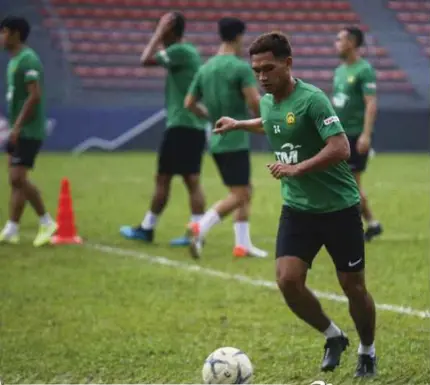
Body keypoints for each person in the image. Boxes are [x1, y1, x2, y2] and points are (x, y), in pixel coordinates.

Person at [214, 32, 377, 377]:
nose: (261, 76)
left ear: (288, 64)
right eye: (256, 69)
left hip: (339, 208)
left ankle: (367, 349)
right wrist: (238, 123)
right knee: (288, 280)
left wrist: (296, 168)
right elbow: (271, 121)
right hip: (298, 208)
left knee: (353, 286)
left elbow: (340, 148)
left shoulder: (312, 99)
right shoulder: (269, 99)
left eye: (268, 69)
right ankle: (334, 336)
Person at [120, 12, 208, 245]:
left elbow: (145, 59)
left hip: (183, 125)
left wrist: (158, 34)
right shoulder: (185, 52)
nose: (157, 30)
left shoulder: (180, 51)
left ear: (170, 29)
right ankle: (191, 232)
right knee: (185, 180)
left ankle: (150, 229)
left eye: (161, 26)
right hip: (189, 125)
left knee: (171, 179)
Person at [184, 17, 267, 258]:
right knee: (240, 194)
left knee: (244, 189)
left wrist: (211, 117)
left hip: (217, 139)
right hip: (236, 137)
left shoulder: (205, 68)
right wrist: (270, 120)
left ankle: (242, 244)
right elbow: (255, 102)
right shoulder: (240, 68)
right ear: (240, 36)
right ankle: (201, 227)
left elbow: (189, 103)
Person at [0, 16, 57, 246]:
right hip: (19, 128)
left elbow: (35, 96)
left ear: (15, 34)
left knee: (17, 177)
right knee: (15, 180)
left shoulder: (28, 60)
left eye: (3, 31)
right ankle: (12, 229)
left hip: (28, 129)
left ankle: (47, 221)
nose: (1, 37)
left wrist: (17, 127)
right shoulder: (13, 61)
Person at [333, 27, 382, 242]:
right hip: (338, 135)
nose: (336, 43)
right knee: (345, 183)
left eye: (340, 39)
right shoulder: (339, 71)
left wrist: (366, 135)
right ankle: (371, 223)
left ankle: (353, 228)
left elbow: (371, 103)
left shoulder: (364, 70)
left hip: (354, 135)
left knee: (350, 184)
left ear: (352, 42)